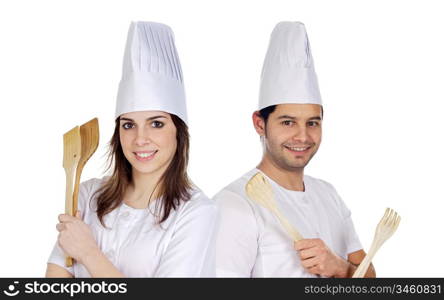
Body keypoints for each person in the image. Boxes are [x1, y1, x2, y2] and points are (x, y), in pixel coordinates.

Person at [45, 21, 218, 277]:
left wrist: (89, 253)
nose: (140, 139)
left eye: (156, 124)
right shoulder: (88, 195)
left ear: (178, 132)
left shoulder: (197, 213)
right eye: (128, 125)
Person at [214, 21, 375, 278]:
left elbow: (371, 278)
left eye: (312, 123)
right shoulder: (234, 205)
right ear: (259, 123)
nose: (302, 136)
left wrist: (341, 269)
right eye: (288, 122)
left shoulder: (328, 194)